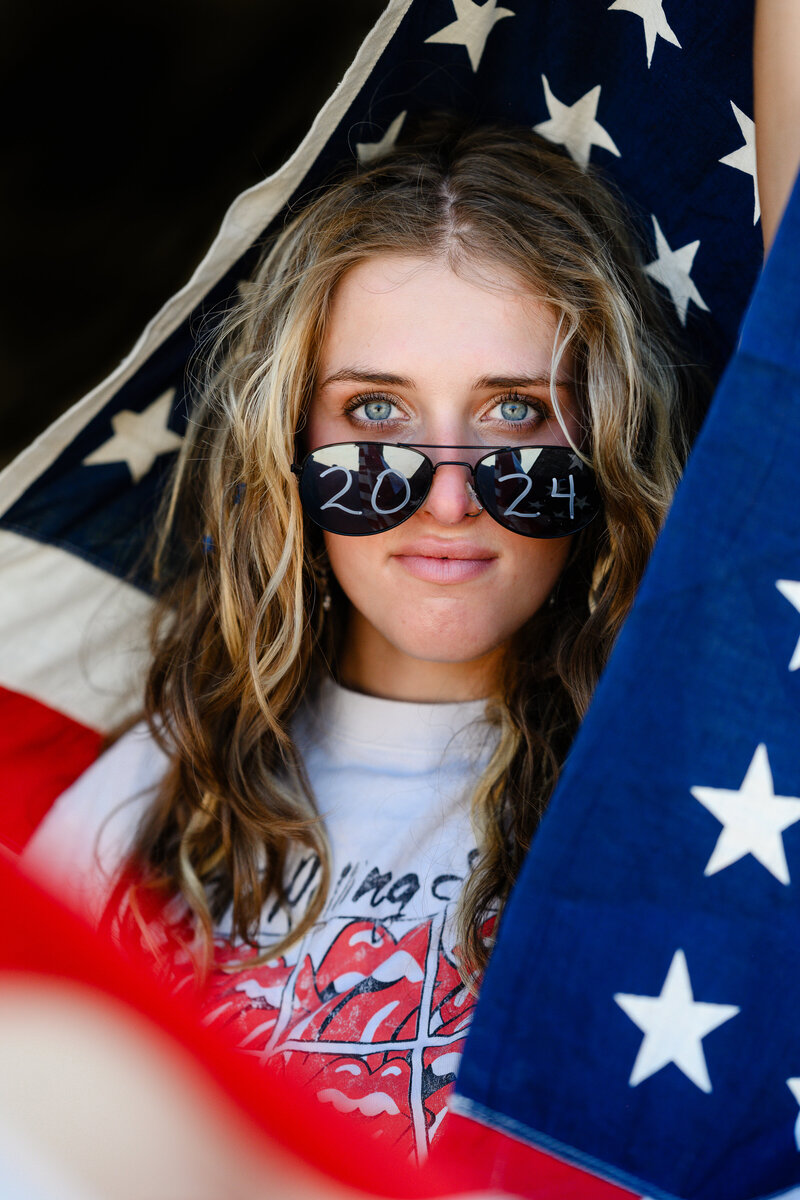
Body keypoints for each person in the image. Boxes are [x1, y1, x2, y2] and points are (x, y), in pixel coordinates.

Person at [22, 117, 691, 1159]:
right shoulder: (144, 791)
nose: (449, 497)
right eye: (374, 413)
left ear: (605, 442)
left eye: (515, 414)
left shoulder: (694, 810)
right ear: (286, 446)